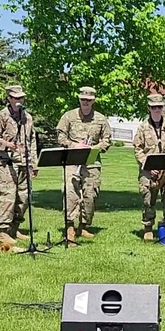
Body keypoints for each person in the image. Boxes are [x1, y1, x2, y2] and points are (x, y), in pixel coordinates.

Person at [56, 86, 112, 242]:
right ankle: (69, 226)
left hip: (92, 160)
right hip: (72, 159)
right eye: (83, 99)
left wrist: (93, 148)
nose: (85, 102)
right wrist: (75, 146)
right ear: (79, 99)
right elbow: (61, 137)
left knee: (91, 194)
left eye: (88, 100)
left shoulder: (101, 119)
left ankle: (84, 225)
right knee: (70, 192)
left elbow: (107, 140)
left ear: (93, 100)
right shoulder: (68, 116)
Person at [0, 84, 36, 246]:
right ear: (9, 98)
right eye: (16, 98)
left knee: (23, 198)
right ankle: (3, 231)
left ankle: (15, 228)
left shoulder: (27, 117)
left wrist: (33, 164)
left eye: (21, 98)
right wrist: (5, 144)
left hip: (24, 163)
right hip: (7, 163)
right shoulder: (1, 116)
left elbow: (32, 141)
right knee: (8, 196)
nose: (19, 101)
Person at [133, 93, 165, 241]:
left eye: (159, 107)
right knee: (148, 197)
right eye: (154, 107)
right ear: (149, 108)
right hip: (149, 169)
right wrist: (147, 166)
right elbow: (137, 149)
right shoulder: (143, 127)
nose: (157, 110)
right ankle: (148, 227)